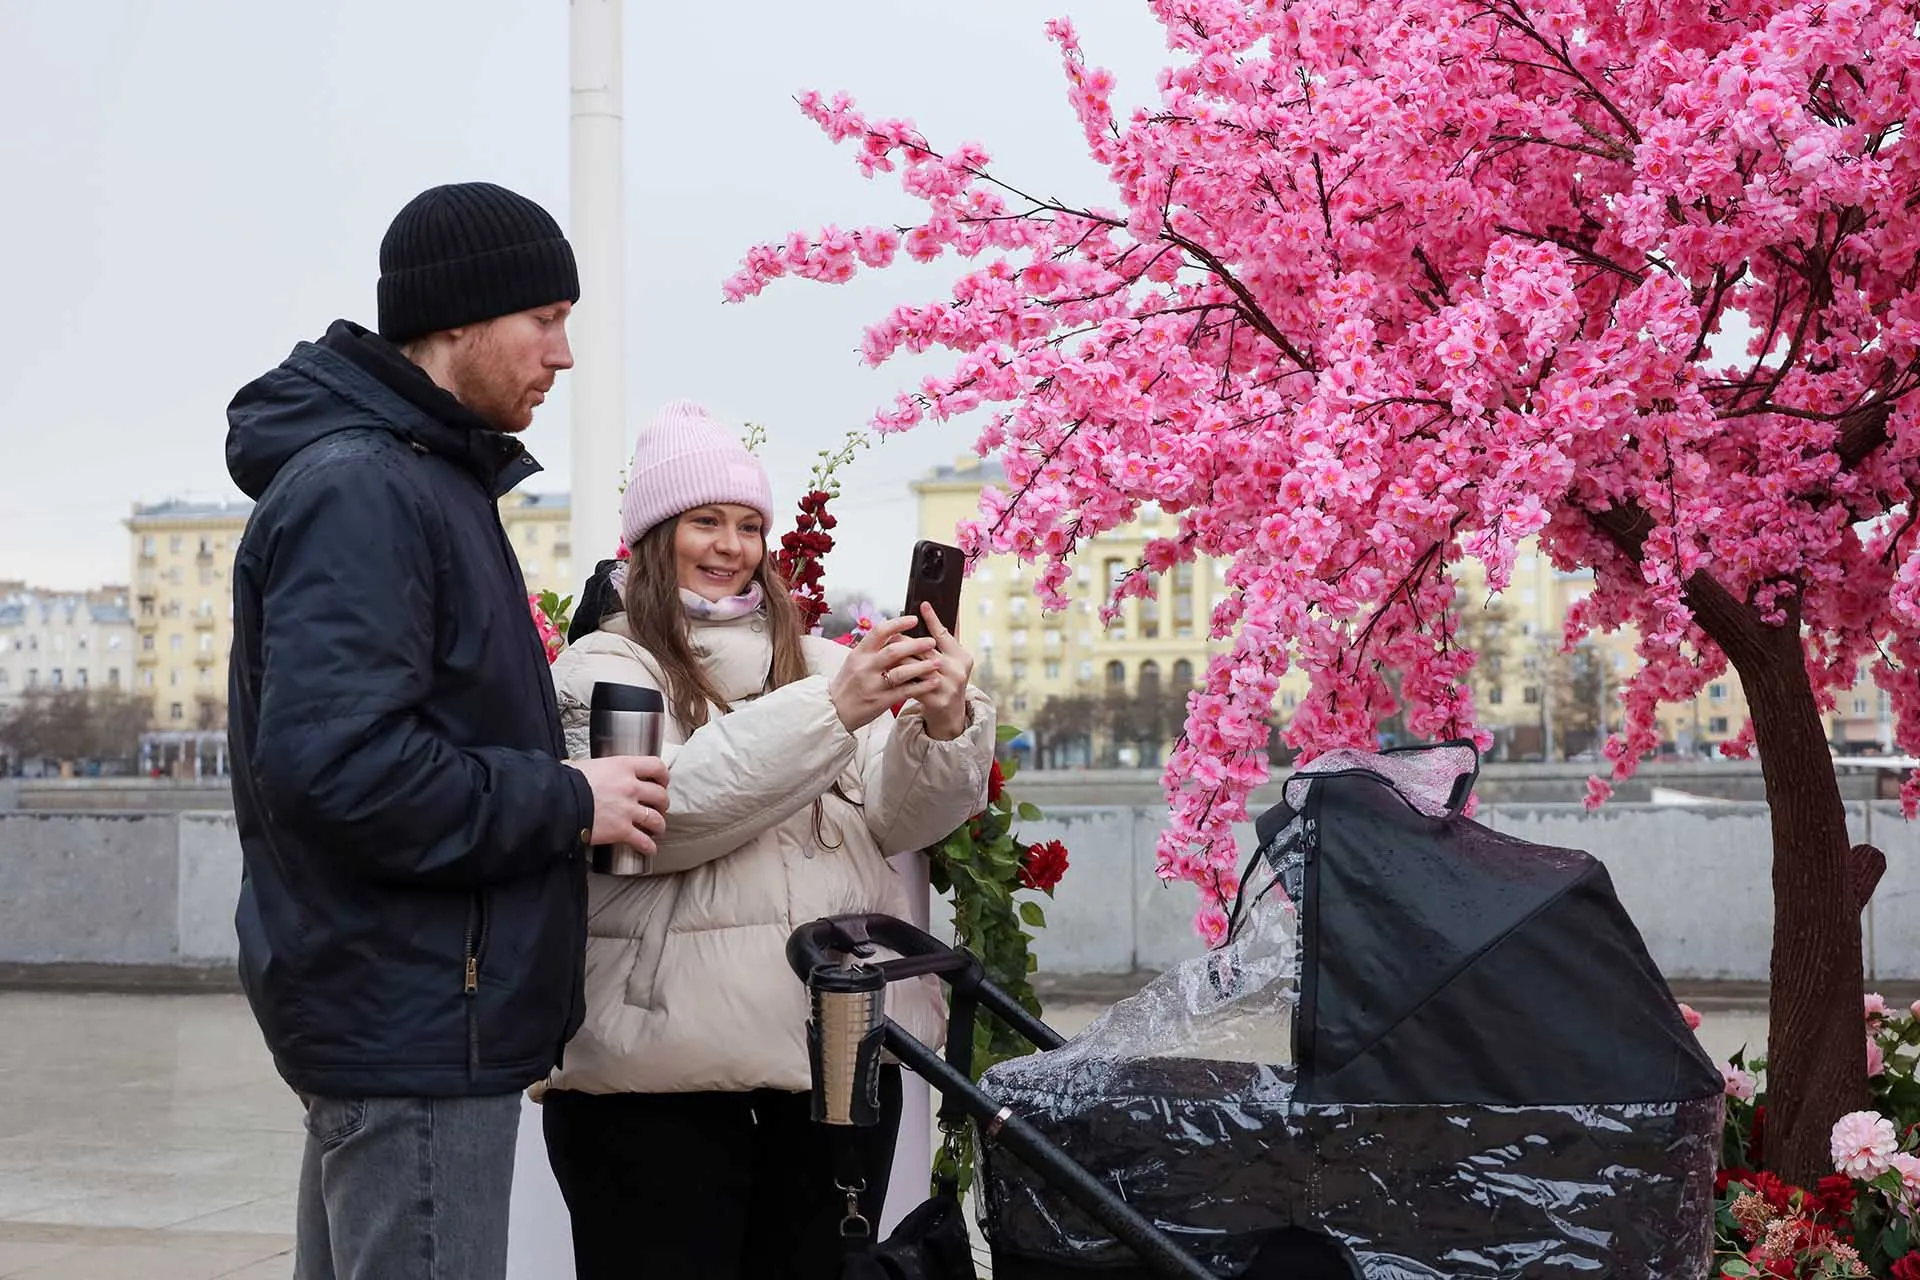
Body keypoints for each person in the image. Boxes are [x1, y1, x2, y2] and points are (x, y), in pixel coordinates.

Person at [223, 181, 670, 1280]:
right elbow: (341, 768)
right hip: (415, 1019)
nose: (562, 355)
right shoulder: (369, 490)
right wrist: (573, 799)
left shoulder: (416, 477)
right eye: (545, 319)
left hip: (406, 1009)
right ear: (459, 320)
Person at [539, 400, 995, 1279]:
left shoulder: (826, 662)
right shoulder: (604, 664)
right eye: (704, 521)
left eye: (748, 525)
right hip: (656, 1080)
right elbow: (657, 819)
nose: (730, 545)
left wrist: (941, 727)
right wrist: (835, 711)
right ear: (651, 535)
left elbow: (906, 822)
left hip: (834, 1062)